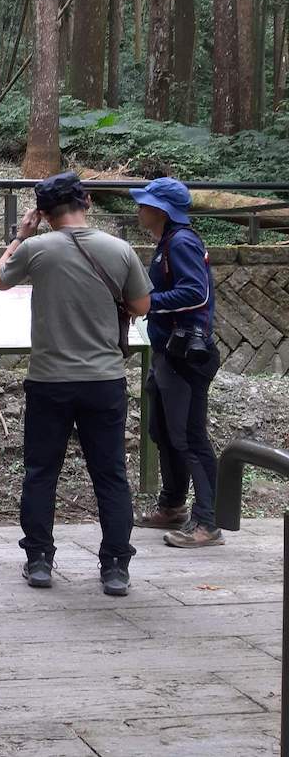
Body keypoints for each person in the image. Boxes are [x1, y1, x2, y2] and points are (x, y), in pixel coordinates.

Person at [0, 172, 152, 596]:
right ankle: (116, 566)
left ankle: (40, 560)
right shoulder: (119, 249)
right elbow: (141, 304)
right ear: (88, 202)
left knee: (41, 472)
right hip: (104, 380)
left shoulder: (36, 248)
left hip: (49, 379)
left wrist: (21, 234)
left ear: (43, 213)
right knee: (111, 474)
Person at [130, 177, 224, 548]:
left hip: (185, 357)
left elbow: (195, 291)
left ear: (161, 210)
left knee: (189, 437)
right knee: (163, 431)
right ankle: (173, 506)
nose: (139, 208)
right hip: (168, 353)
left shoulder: (181, 242)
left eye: (145, 203)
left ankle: (207, 523)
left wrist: (148, 302)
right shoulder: (167, 243)